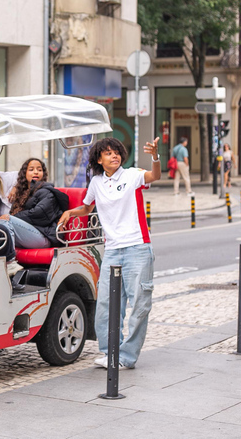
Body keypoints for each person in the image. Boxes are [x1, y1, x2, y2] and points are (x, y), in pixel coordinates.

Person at [58, 136, 161, 370]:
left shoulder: (132, 175)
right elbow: (87, 206)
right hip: (112, 251)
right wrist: (71, 213)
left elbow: (155, 176)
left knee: (139, 305)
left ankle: (127, 356)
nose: (114, 155)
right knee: (106, 304)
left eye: (116, 152)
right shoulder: (96, 182)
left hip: (138, 248)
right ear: (99, 159)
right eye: (108, 153)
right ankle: (110, 352)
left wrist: (155, 156)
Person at [0, 158, 69, 250]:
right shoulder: (23, 192)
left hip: (44, 236)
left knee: (7, 220)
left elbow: (39, 214)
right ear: (25, 173)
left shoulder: (47, 191)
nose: (36, 172)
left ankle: (10, 260)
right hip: (29, 234)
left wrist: (13, 217)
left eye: (39, 170)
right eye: (31, 169)